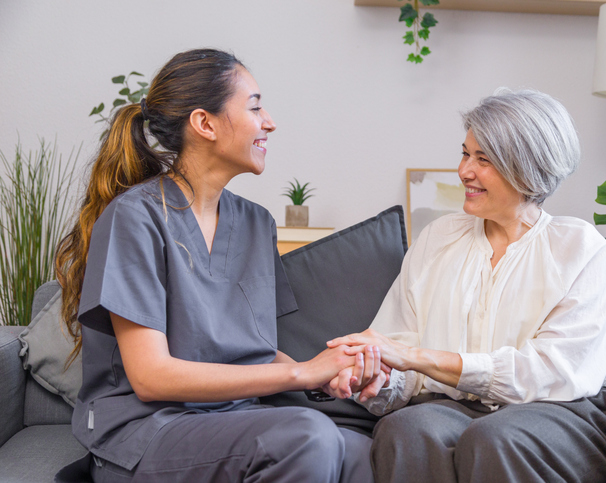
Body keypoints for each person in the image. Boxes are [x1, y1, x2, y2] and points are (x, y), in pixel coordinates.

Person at [54, 48, 384, 483]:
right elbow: (152, 378)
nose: (270, 121)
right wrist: (301, 372)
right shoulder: (134, 218)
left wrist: (323, 375)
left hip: (232, 420)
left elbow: (254, 351)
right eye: (255, 107)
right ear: (204, 124)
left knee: (360, 450)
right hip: (148, 428)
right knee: (308, 436)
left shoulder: (254, 222)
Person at [328, 89, 606, 483]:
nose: (464, 170)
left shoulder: (580, 248)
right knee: (408, 430)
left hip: (560, 413)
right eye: (465, 153)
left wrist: (419, 357)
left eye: (483, 159)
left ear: (527, 168)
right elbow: (400, 355)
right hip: (451, 407)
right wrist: (377, 377)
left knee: (495, 437)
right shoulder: (439, 239)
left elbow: (555, 372)